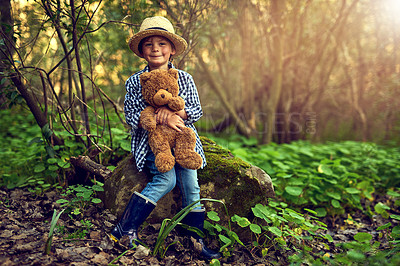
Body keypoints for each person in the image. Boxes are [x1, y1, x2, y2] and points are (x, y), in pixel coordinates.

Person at [110, 16, 221, 260]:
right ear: (142, 51)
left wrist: (174, 113)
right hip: (153, 143)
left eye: (162, 44)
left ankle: (194, 238)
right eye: (149, 44)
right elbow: (132, 115)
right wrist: (162, 119)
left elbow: (196, 111)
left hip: (183, 141)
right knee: (167, 180)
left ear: (171, 50)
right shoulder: (134, 82)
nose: (155, 49)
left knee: (191, 186)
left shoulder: (185, 78)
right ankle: (124, 228)